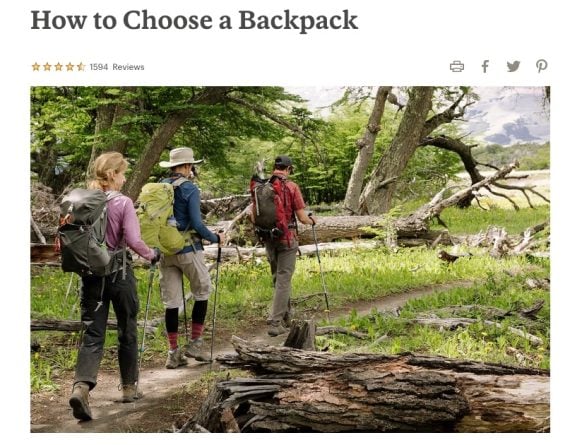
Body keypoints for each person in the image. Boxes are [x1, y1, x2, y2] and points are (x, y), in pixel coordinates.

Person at [69, 152, 160, 421]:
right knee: (126, 328)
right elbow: (133, 239)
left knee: (93, 334)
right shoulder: (123, 202)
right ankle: (129, 388)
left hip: (90, 276)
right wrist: (152, 254)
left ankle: (81, 387)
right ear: (112, 175)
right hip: (119, 274)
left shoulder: (81, 201)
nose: (125, 177)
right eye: (122, 173)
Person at [157, 147, 225, 369]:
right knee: (202, 291)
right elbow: (196, 223)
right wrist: (215, 237)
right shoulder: (189, 189)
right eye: (191, 166)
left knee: (172, 303)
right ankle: (195, 344)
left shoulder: (159, 188)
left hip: (166, 252)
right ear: (186, 167)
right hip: (188, 250)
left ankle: (173, 353)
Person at [257, 155, 316, 337]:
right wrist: (312, 221)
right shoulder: (291, 187)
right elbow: (302, 217)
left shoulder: (261, 186)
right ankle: (275, 322)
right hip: (287, 238)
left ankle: (286, 318)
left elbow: (253, 215)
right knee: (284, 280)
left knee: (278, 278)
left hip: (268, 238)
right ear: (289, 169)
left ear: (275, 167)